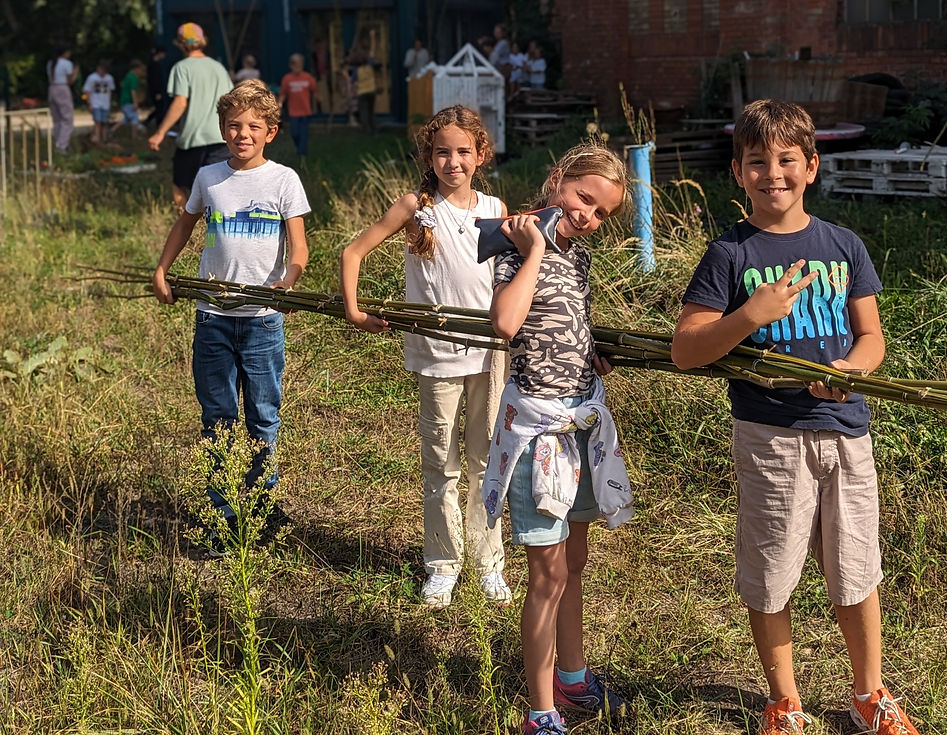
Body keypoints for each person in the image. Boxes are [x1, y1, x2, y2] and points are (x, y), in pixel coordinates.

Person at [671, 99, 920, 735]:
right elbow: (686, 348)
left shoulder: (843, 245)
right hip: (770, 435)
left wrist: (852, 373)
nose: (772, 173)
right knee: (772, 568)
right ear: (737, 171)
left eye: (787, 160)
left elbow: (872, 337)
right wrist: (750, 316)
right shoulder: (730, 253)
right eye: (758, 162)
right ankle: (784, 700)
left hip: (845, 432)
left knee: (856, 568)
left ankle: (869, 694)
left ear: (811, 167)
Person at [482, 143, 634, 735]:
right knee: (545, 576)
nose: (588, 216)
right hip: (538, 431)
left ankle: (571, 679)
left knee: (573, 561)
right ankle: (539, 711)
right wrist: (535, 250)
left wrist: (587, 352)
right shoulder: (517, 242)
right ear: (558, 180)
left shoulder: (581, 256)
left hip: (581, 422)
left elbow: (567, 319)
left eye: (601, 213)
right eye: (583, 198)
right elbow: (506, 323)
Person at [340, 106, 512, 610]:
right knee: (441, 462)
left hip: (489, 356)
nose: (452, 161)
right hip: (437, 358)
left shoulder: (496, 209)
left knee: (487, 463)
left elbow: (514, 275)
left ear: (480, 155)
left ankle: (488, 563)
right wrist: (354, 310)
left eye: (463, 152)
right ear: (428, 156)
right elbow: (354, 251)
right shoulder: (416, 206)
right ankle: (441, 564)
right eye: (442, 152)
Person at [151, 79, 310, 555]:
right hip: (213, 318)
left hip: (262, 319)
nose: (243, 134)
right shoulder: (208, 177)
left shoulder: (283, 181)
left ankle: (261, 506)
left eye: (253, 127)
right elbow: (185, 224)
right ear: (221, 128)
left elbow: (299, 246)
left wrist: (288, 281)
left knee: (263, 416)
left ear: (271, 132)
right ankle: (220, 513)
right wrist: (163, 269)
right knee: (218, 417)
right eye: (234, 125)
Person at [148, 22, 234, 210]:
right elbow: (230, 101)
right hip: (220, 138)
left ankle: (188, 229)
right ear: (202, 41)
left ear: (180, 44)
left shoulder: (182, 68)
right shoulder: (218, 67)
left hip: (192, 139)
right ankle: (215, 228)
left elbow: (180, 102)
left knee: (180, 186)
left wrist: (160, 132)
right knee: (218, 189)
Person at [278, 53, 318, 159]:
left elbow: (314, 92)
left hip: (305, 110)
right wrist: (280, 103)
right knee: (294, 133)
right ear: (291, 66)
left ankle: (302, 154)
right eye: (295, 65)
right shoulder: (287, 79)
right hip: (294, 111)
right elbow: (283, 93)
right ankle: (299, 148)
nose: (297, 67)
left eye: (299, 64)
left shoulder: (308, 77)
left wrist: (316, 105)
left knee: (304, 133)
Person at [47, 45, 78, 154]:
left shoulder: (51, 63)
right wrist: (76, 73)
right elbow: (70, 81)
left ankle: (57, 141)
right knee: (67, 119)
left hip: (52, 88)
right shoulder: (67, 63)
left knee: (57, 119)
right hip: (62, 88)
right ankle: (62, 145)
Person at [349, 28, 380, 135]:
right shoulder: (369, 65)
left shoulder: (356, 70)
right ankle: (374, 130)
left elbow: (352, 81)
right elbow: (372, 50)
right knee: (371, 112)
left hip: (362, 92)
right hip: (371, 90)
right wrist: (372, 37)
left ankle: (367, 131)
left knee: (364, 113)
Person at [82, 59, 115, 144]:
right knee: (97, 122)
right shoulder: (92, 77)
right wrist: (89, 104)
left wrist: (110, 102)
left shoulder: (109, 78)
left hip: (105, 103)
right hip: (95, 103)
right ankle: (97, 139)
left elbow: (110, 91)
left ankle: (104, 139)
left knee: (104, 122)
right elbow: (87, 91)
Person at [112, 60, 146, 139]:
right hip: (129, 101)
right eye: (140, 70)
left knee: (127, 119)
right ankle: (135, 135)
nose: (141, 72)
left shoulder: (128, 76)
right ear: (136, 69)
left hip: (124, 101)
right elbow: (133, 90)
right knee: (134, 118)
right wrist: (135, 102)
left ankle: (112, 130)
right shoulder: (133, 77)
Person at [144, 46, 169, 130]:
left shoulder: (155, 64)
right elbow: (154, 80)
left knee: (159, 108)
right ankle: (157, 125)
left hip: (156, 90)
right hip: (156, 91)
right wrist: (157, 92)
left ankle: (153, 123)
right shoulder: (153, 65)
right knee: (159, 109)